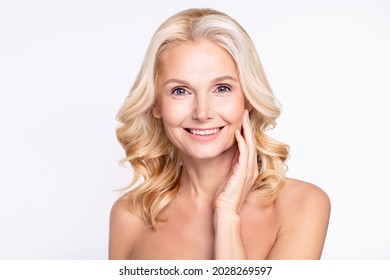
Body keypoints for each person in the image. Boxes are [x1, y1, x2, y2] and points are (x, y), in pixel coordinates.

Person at [109, 8, 330, 260]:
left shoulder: (301, 205)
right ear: (156, 104)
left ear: (247, 99)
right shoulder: (129, 216)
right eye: (180, 91)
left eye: (222, 88)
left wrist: (226, 215)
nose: (202, 112)